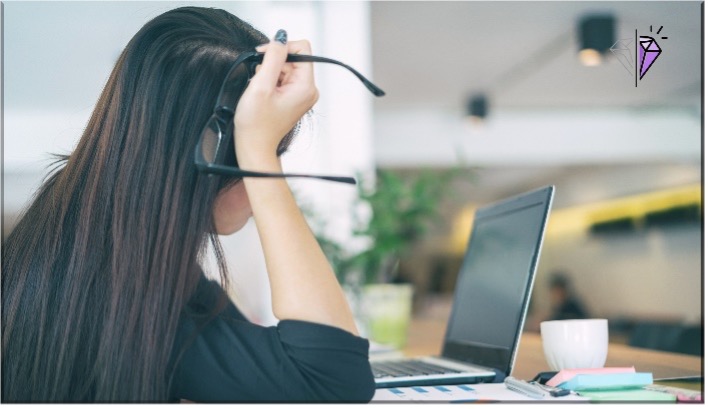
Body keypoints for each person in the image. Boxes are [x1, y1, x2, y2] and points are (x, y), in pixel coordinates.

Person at [2, 7, 377, 402]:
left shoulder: (101, 242)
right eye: (253, 160)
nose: (264, 182)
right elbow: (331, 383)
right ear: (200, 155)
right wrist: (259, 153)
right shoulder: (121, 297)